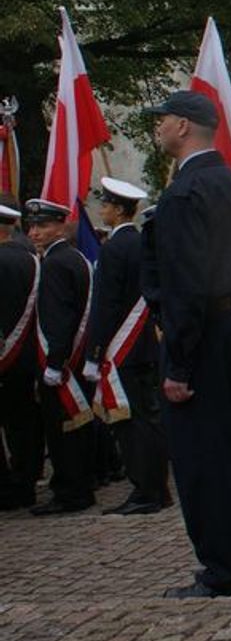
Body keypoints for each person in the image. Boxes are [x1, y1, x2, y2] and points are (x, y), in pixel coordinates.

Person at [145, 90, 231, 598]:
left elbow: (185, 286)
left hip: (202, 335)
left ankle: (224, 570)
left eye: (163, 119)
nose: (157, 128)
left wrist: (178, 365)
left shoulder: (183, 195)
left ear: (184, 126)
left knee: (203, 459)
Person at [82, 177, 169, 515]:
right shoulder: (142, 242)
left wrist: (94, 352)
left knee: (131, 425)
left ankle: (145, 491)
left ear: (118, 210)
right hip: (145, 345)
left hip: (123, 349)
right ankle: (157, 487)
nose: (101, 210)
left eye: (105, 205)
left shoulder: (114, 248)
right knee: (149, 419)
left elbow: (105, 306)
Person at [24, 198, 96, 515]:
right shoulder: (74, 257)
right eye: (32, 226)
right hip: (76, 358)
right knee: (77, 428)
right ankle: (81, 484)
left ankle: (70, 492)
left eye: (43, 225)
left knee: (62, 430)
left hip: (62, 362)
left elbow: (59, 318)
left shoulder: (55, 263)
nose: (34, 232)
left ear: (60, 226)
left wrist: (54, 364)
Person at [0, 200, 43, 510]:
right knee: (26, 421)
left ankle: (7, 486)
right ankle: (27, 480)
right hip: (29, 353)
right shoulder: (32, 257)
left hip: (5, 353)